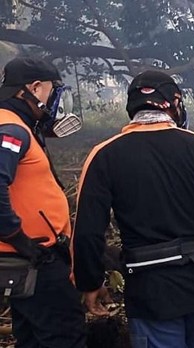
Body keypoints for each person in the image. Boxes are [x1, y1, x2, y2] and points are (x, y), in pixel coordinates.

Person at [72, 70, 194, 348]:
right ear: (174, 103)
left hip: (151, 292)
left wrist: (90, 282)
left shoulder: (104, 156)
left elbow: (88, 231)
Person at [0, 57, 87, 347]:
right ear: (35, 88)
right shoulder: (10, 130)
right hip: (32, 258)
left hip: (26, 259)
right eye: (52, 90)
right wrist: (17, 236)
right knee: (63, 335)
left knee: (32, 338)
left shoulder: (17, 125)